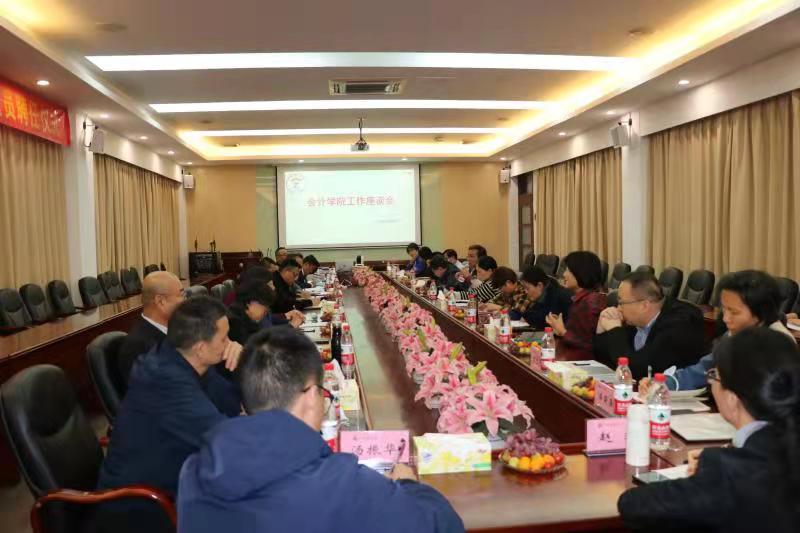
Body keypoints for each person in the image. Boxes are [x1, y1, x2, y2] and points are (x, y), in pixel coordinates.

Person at [178, 328, 465, 533]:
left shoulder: (194, 470)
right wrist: (409, 485)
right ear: (311, 396)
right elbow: (442, 523)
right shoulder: (344, 485)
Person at [618, 327, 800, 533]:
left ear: (732, 398)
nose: (711, 381)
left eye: (714, 375)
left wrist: (706, 473)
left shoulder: (725, 469)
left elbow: (632, 504)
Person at [95, 298, 243, 533]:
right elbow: (226, 441)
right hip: (141, 509)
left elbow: (233, 404)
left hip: (180, 479)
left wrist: (240, 364)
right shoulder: (165, 381)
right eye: (224, 338)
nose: (230, 343)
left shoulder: (185, 358)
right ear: (201, 348)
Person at [640, 270, 796, 393]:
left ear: (761, 312)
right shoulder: (735, 333)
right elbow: (702, 370)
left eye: (734, 312)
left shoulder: (779, 344)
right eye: (724, 309)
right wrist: (663, 383)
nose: (726, 318)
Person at [593, 271, 706, 379]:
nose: (618, 308)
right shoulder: (636, 320)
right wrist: (601, 329)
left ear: (644, 306)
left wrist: (615, 330)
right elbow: (607, 359)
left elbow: (636, 369)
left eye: (621, 303)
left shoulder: (680, 324)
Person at [118, 271, 185, 385]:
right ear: (160, 301)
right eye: (181, 294)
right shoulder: (139, 348)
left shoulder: (176, 328)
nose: (185, 300)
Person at [545, 251, 607, 359]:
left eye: (568, 270)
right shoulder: (582, 298)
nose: (564, 274)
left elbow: (590, 346)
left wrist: (563, 331)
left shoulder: (592, 302)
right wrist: (558, 328)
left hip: (581, 364)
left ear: (581, 272)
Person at [512, 265, 573, 329]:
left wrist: (524, 315)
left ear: (539, 285)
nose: (526, 292)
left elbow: (543, 320)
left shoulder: (558, 297)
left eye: (527, 288)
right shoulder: (544, 294)